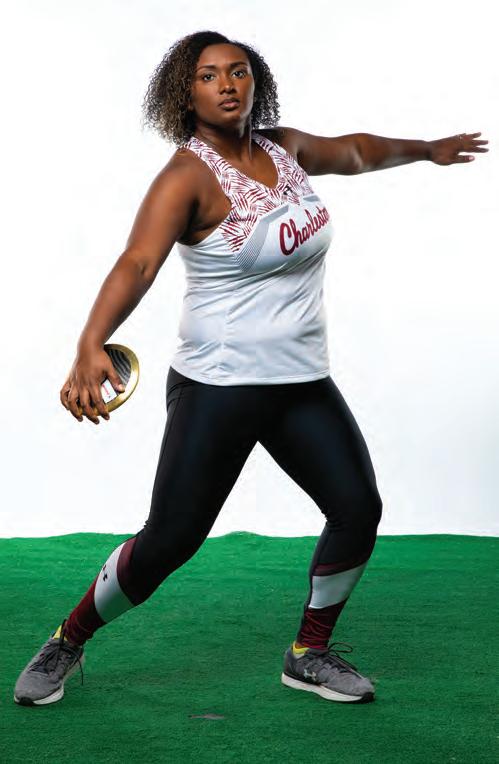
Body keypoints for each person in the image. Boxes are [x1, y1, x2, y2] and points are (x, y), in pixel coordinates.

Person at [13, 30, 488, 708]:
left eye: (238, 72)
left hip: (300, 382)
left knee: (357, 508)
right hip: (219, 385)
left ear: (255, 80)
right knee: (169, 542)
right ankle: (68, 638)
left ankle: (308, 654)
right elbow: (137, 263)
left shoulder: (283, 148)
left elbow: (355, 151)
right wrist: (91, 342)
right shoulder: (187, 177)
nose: (228, 85)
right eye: (209, 76)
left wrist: (427, 150)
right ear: (186, 93)